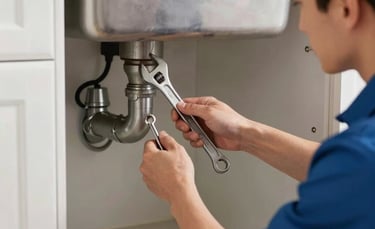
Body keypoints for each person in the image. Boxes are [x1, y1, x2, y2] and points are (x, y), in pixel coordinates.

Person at [140, 0, 375, 228]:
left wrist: (179, 192)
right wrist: (244, 134)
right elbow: (344, 172)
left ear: (345, 9)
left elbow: (354, 170)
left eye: (301, 5)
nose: (302, 25)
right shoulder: (359, 158)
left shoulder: (360, 160)